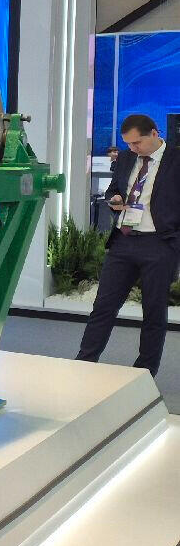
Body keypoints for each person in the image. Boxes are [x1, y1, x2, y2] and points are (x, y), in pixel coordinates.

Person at [76, 113, 180, 375]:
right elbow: (114, 189)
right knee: (103, 307)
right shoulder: (126, 158)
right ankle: (83, 363)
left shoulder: (176, 160)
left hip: (160, 244)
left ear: (154, 134)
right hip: (123, 242)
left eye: (137, 143)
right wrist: (114, 199)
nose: (133, 149)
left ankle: (144, 373)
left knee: (153, 313)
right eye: (129, 144)